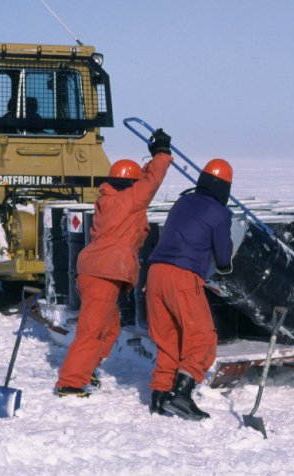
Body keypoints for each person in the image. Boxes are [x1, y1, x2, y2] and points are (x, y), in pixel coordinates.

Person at [54, 128, 173, 397]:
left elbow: (142, 182)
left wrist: (147, 164)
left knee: (110, 327)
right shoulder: (130, 200)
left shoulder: (108, 200)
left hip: (94, 270)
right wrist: (162, 153)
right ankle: (71, 382)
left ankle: (86, 369)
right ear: (131, 183)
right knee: (92, 330)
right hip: (105, 273)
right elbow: (151, 182)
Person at [145, 158, 234, 420]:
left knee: (168, 337)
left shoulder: (183, 202)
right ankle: (182, 395)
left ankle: (160, 395)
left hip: (154, 273)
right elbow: (223, 255)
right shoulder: (220, 213)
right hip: (182, 277)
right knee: (202, 337)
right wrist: (225, 266)